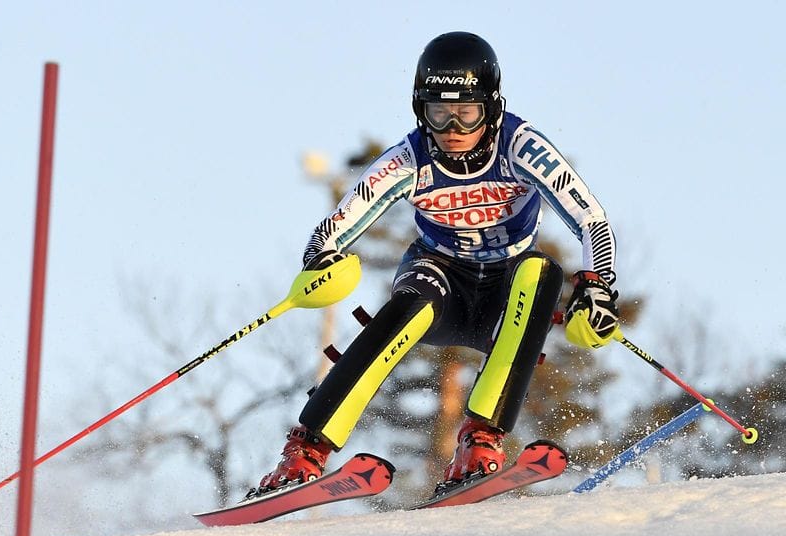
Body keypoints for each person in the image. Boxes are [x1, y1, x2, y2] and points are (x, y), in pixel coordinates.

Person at [253, 31, 620, 496]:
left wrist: (597, 284)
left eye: (467, 113)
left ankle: (481, 441)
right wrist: (319, 260)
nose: (453, 128)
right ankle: (305, 452)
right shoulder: (409, 159)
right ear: (419, 109)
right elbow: (336, 226)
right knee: (413, 300)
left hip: (507, 290)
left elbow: (590, 215)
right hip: (440, 276)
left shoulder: (520, 146)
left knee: (542, 271)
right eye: (438, 112)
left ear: (491, 107)